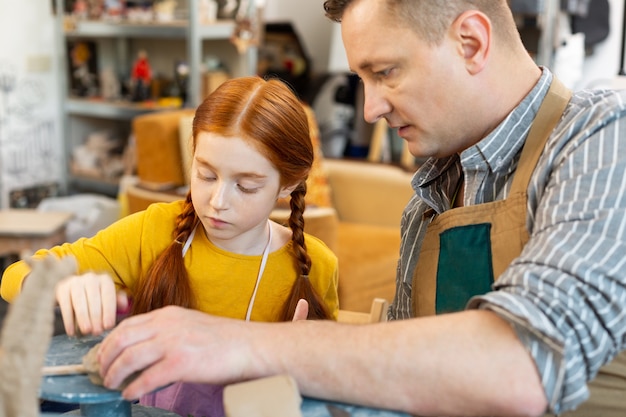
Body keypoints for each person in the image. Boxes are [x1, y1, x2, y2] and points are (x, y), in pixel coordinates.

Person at [79, 1, 626, 416]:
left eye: (385, 72)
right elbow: (413, 365)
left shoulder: (603, 138)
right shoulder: (434, 190)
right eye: (362, 79)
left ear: (471, 42)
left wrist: (245, 345)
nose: (369, 109)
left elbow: (522, 365)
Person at [0, 76, 339, 417]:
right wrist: (59, 285)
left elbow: (333, 389)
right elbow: (14, 276)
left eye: (246, 186)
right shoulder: (155, 231)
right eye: (206, 175)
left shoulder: (315, 266)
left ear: (289, 183)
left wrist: (301, 367)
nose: (218, 201)